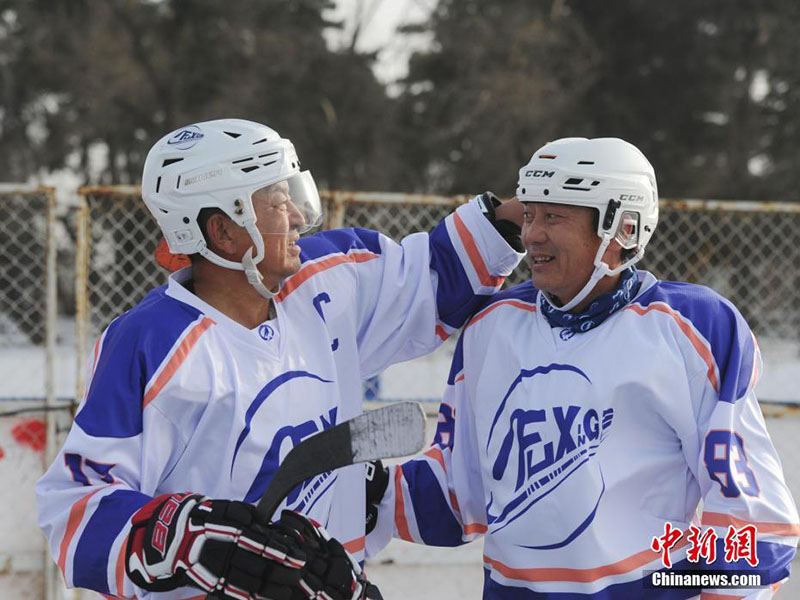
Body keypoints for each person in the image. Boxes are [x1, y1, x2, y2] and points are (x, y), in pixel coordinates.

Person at [35, 118, 524, 599]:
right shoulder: (148, 343)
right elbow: (75, 511)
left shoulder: (327, 278)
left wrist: (540, 206)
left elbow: (438, 276)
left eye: (292, 192)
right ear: (223, 231)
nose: (296, 214)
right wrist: (184, 536)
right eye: (275, 200)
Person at [365, 137, 799, 599]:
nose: (530, 234)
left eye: (554, 216)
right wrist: (366, 492)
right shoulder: (491, 328)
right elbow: (458, 494)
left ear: (623, 228)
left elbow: (753, 523)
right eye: (530, 214)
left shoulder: (692, 329)